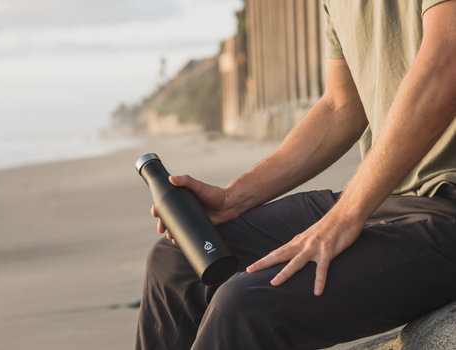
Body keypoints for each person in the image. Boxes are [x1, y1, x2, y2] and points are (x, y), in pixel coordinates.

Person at [135, 1, 456, 349]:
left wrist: (346, 215)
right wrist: (234, 197)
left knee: (244, 305)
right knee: (176, 263)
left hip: (446, 209)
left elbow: (446, 62)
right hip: (389, 200)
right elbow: (341, 105)